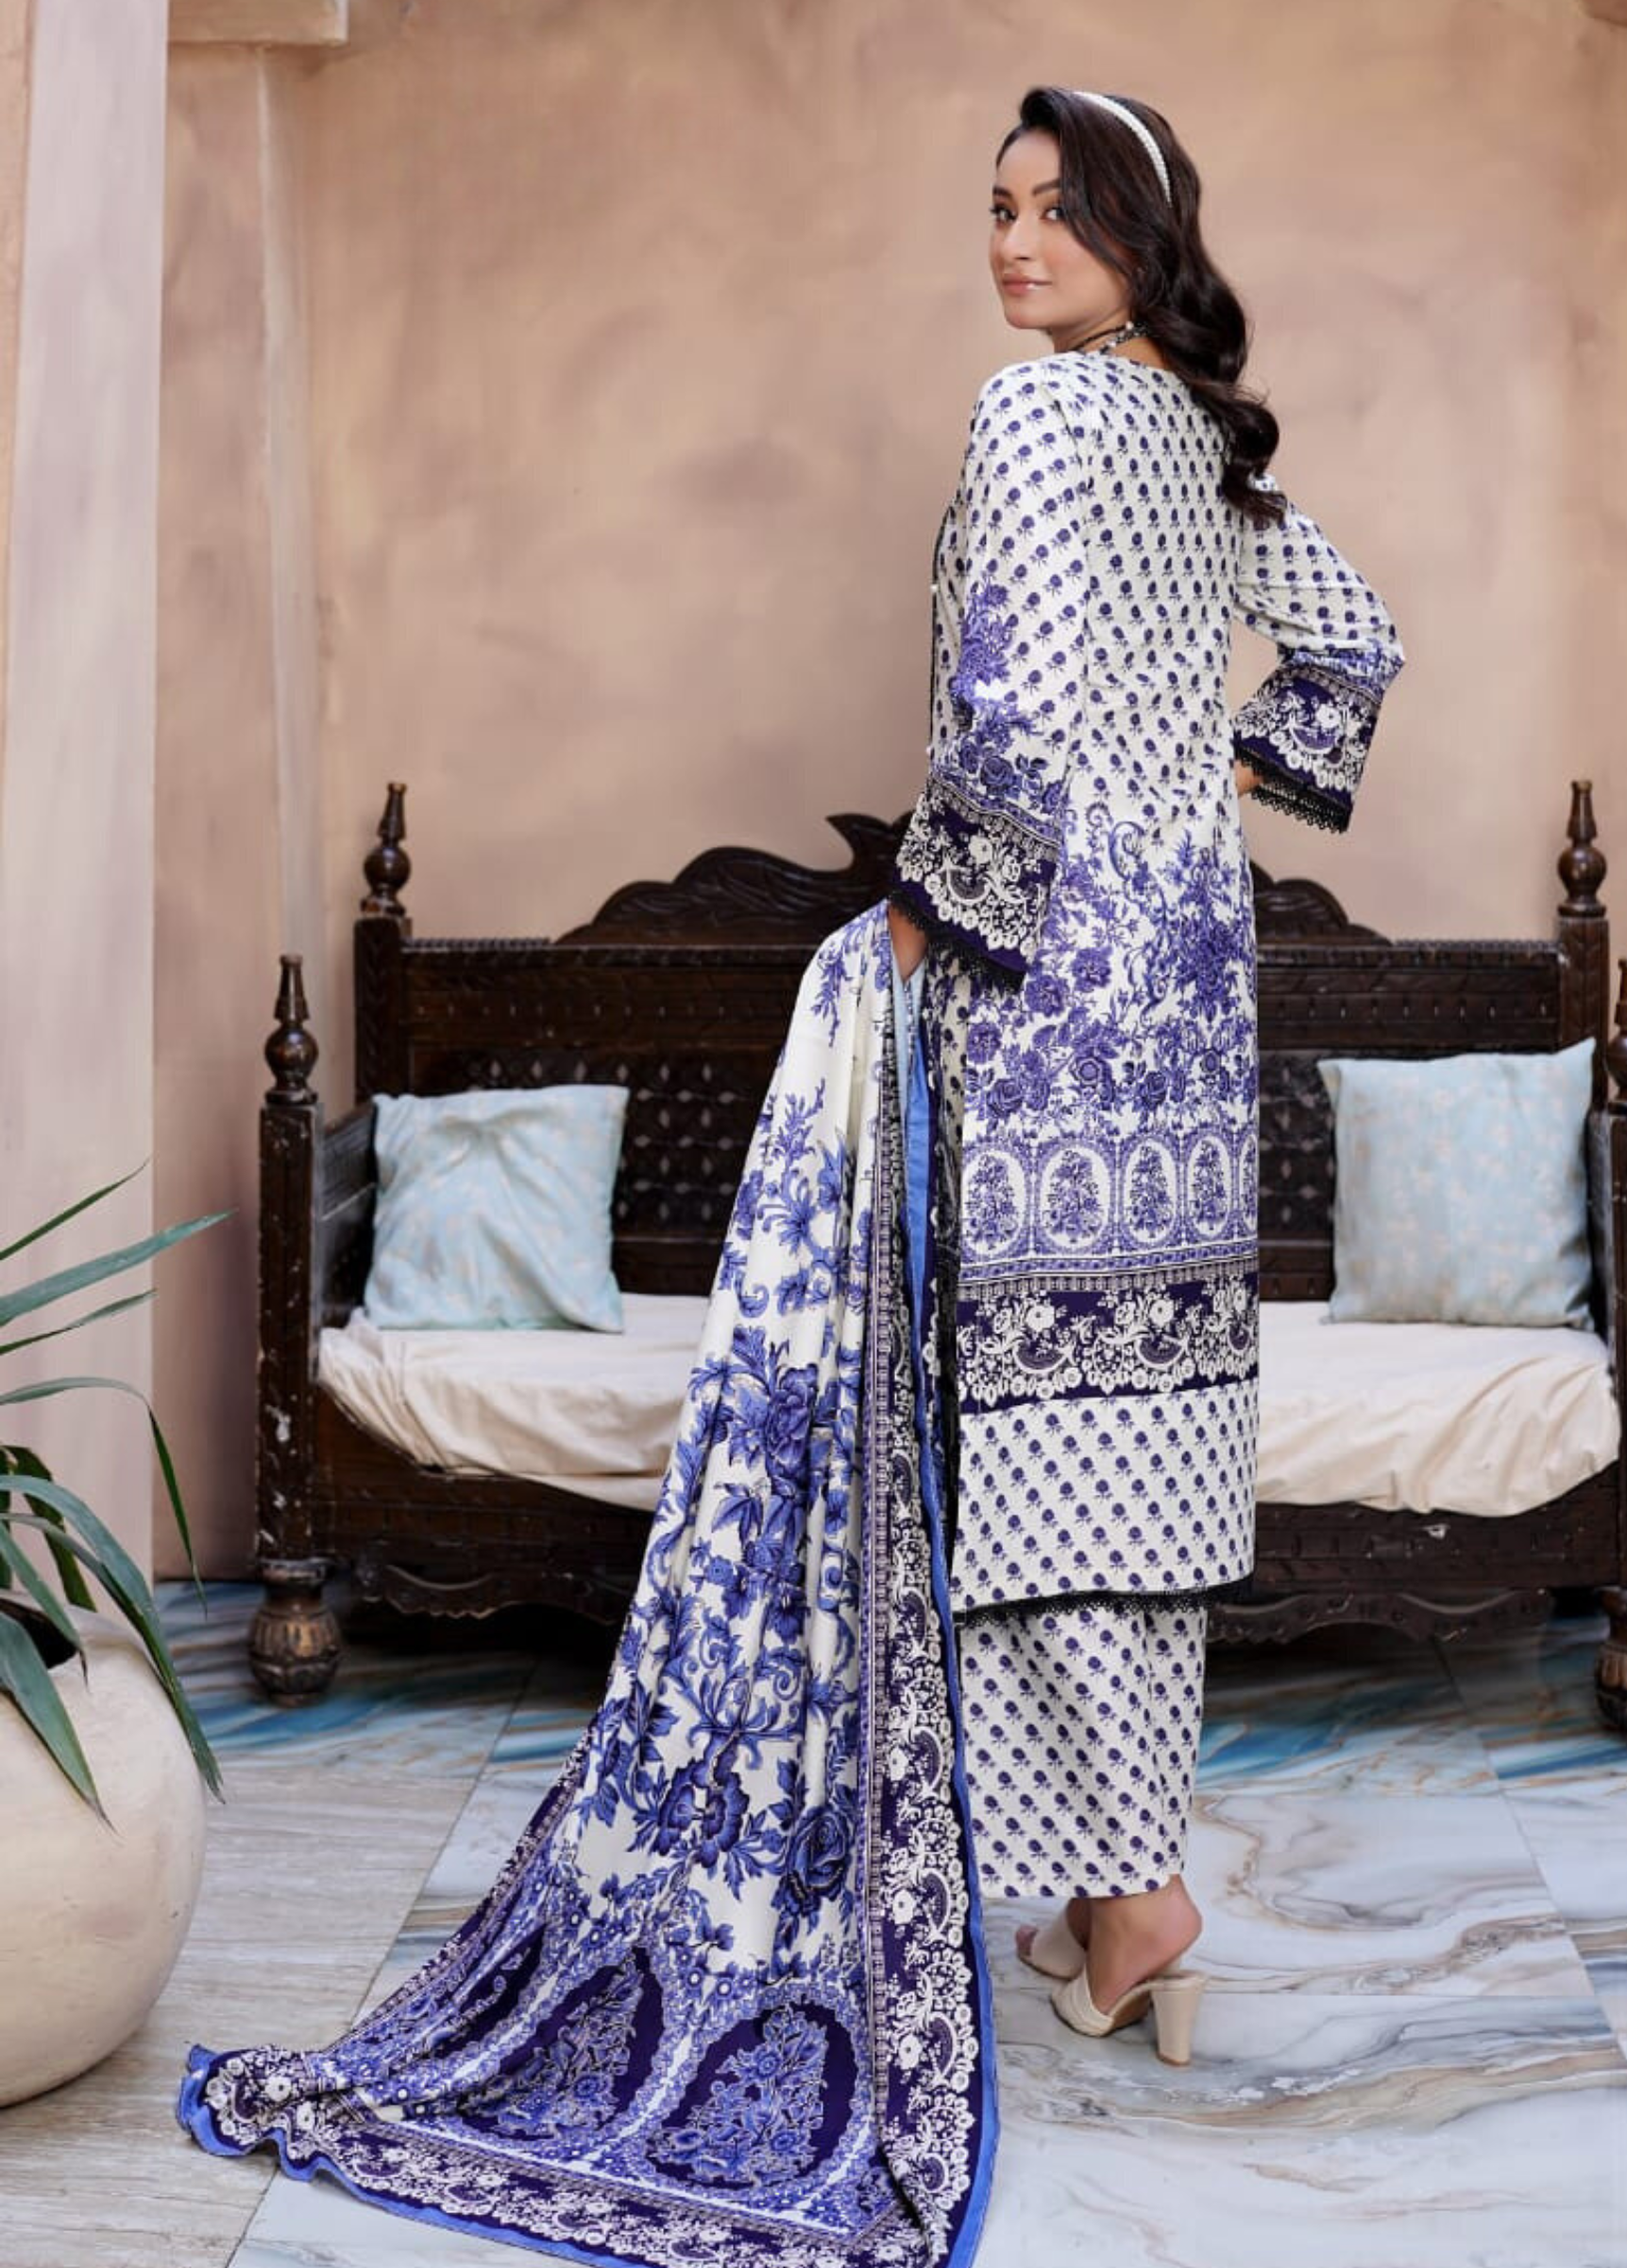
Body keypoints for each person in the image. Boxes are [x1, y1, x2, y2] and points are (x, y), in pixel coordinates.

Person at [178, 83, 1403, 2268]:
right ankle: (1125, 1899)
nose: (1012, 243)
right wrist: (1190, 795)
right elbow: (1355, 647)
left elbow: (1007, 715)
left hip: (1038, 1010)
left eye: (1056, 211)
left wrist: (927, 920)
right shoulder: (1211, 450)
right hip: (1187, 1013)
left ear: (1140, 228)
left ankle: (1131, 1895)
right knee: (1129, 1444)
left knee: (1021, 1451)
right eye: (996, 208)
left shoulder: (1036, 420)